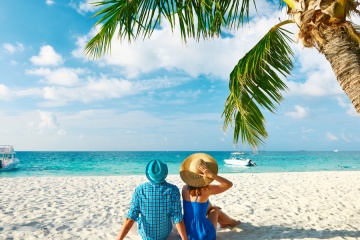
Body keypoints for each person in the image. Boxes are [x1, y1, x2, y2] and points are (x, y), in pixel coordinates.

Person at [116, 159, 188, 240]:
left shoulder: (140, 190)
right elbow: (177, 218)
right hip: (164, 235)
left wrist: (119, 239)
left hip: (145, 236)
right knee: (172, 217)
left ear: (149, 174)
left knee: (131, 216)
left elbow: (131, 217)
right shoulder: (173, 190)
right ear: (164, 173)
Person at [179, 153, 241, 240]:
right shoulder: (206, 190)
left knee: (210, 207)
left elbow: (197, 207)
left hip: (188, 233)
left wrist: (210, 206)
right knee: (215, 210)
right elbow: (228, 184)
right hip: (203, 235)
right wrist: (211, 175)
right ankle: (232, 222)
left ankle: (225, 223)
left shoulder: (184, 188)